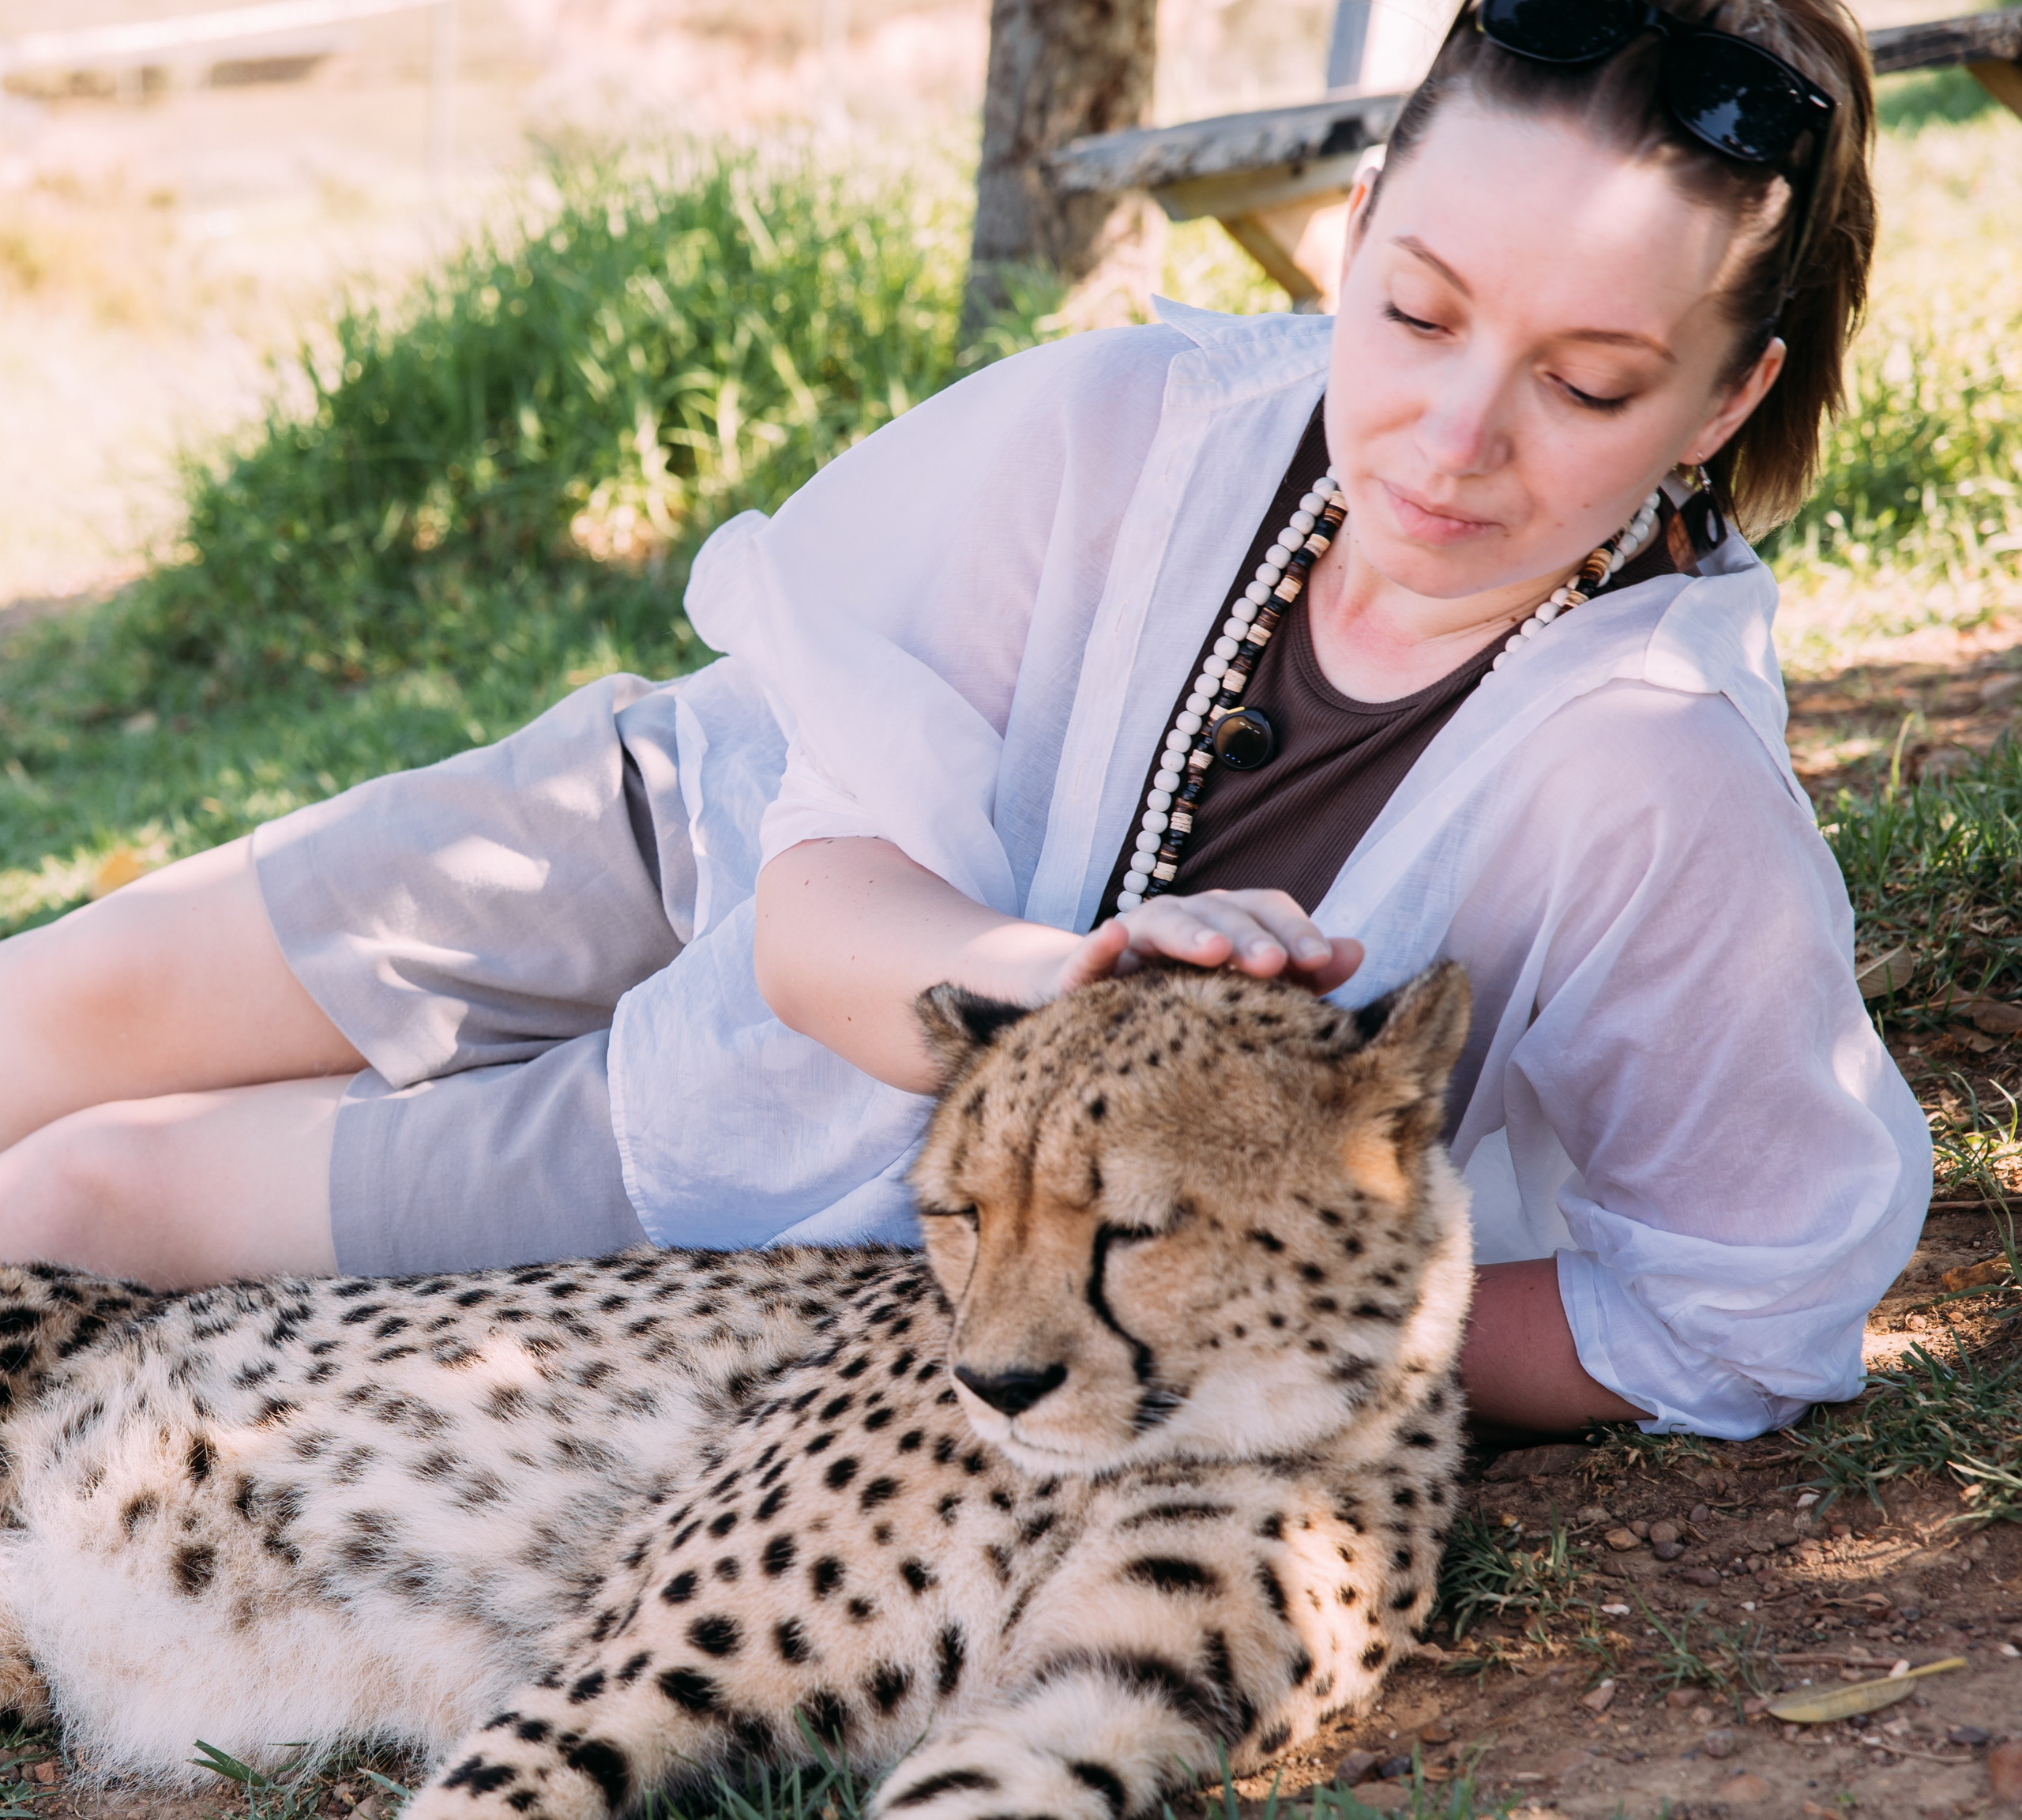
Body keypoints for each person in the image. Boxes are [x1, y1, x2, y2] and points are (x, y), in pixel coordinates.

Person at [0, 0, 1927, 1440]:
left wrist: (1275, 1326)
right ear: (1352, 231)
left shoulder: (1652, 786)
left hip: (764, 1141)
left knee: (84, 1191)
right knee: (47, 1017)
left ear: (1716, 405)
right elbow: (809, 908)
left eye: (1587, 383)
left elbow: (1733, 1310)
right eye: (1413, 315)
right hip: (696, 841)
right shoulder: (1133, 436)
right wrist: (1060, 976)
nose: (1450, 438)